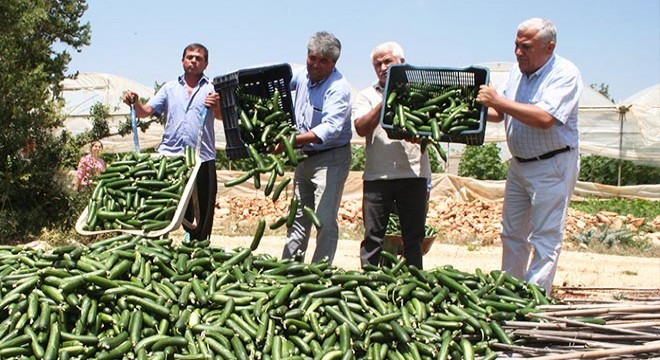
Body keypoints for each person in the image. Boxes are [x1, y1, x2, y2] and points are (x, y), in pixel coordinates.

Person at [476, 18, 582, 294]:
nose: (518, 52)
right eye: (516, 45)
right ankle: (510, 293)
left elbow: (546, 118)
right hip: (520, 164)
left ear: (549, 47)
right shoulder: (516, 72)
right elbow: (500, 114)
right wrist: (469, 108)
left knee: (545, 237)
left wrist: (497, 100)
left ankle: (534, 300)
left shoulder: (565, 73)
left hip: (552, 165)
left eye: (526, 47)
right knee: (511, 233)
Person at [122, 43, 222, 242]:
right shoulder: (169, 88)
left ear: (206, 64)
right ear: (182, 60)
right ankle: (154, 250)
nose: (193, 61)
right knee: (161, 208)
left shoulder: (212, 89)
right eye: (190, 57)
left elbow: (221, 117)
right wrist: (135, 103)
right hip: (170, 157)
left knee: (202, 210)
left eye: (198, 58)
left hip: (202, 158)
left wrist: (217, 106)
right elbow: (146, 112)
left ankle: (198, 252)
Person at [352, 42, 431, 270]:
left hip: (413, 174)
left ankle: (414, 286)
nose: (383, 67)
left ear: (401, 63)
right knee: (373, 237)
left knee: (413, 238)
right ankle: (369, 284)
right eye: (378, 64)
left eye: (388, 61)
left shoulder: (420, 91)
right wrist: (386, 98)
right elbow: (361, 127)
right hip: (378, 178)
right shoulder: (366, 95)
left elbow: (430, 126)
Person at [279, 31, 353, 264]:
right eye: (312, 58)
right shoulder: (302, 74)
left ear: (334, 63)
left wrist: (292, 141)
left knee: (323, 218)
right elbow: (278, 75)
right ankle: (289, 267)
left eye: (324, 61)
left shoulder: (338, 88)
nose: (316, 65)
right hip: (304, 157)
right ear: (307, 56)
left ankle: (319, 272)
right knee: (298, 216)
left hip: (330, 158)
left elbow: (330, 128)